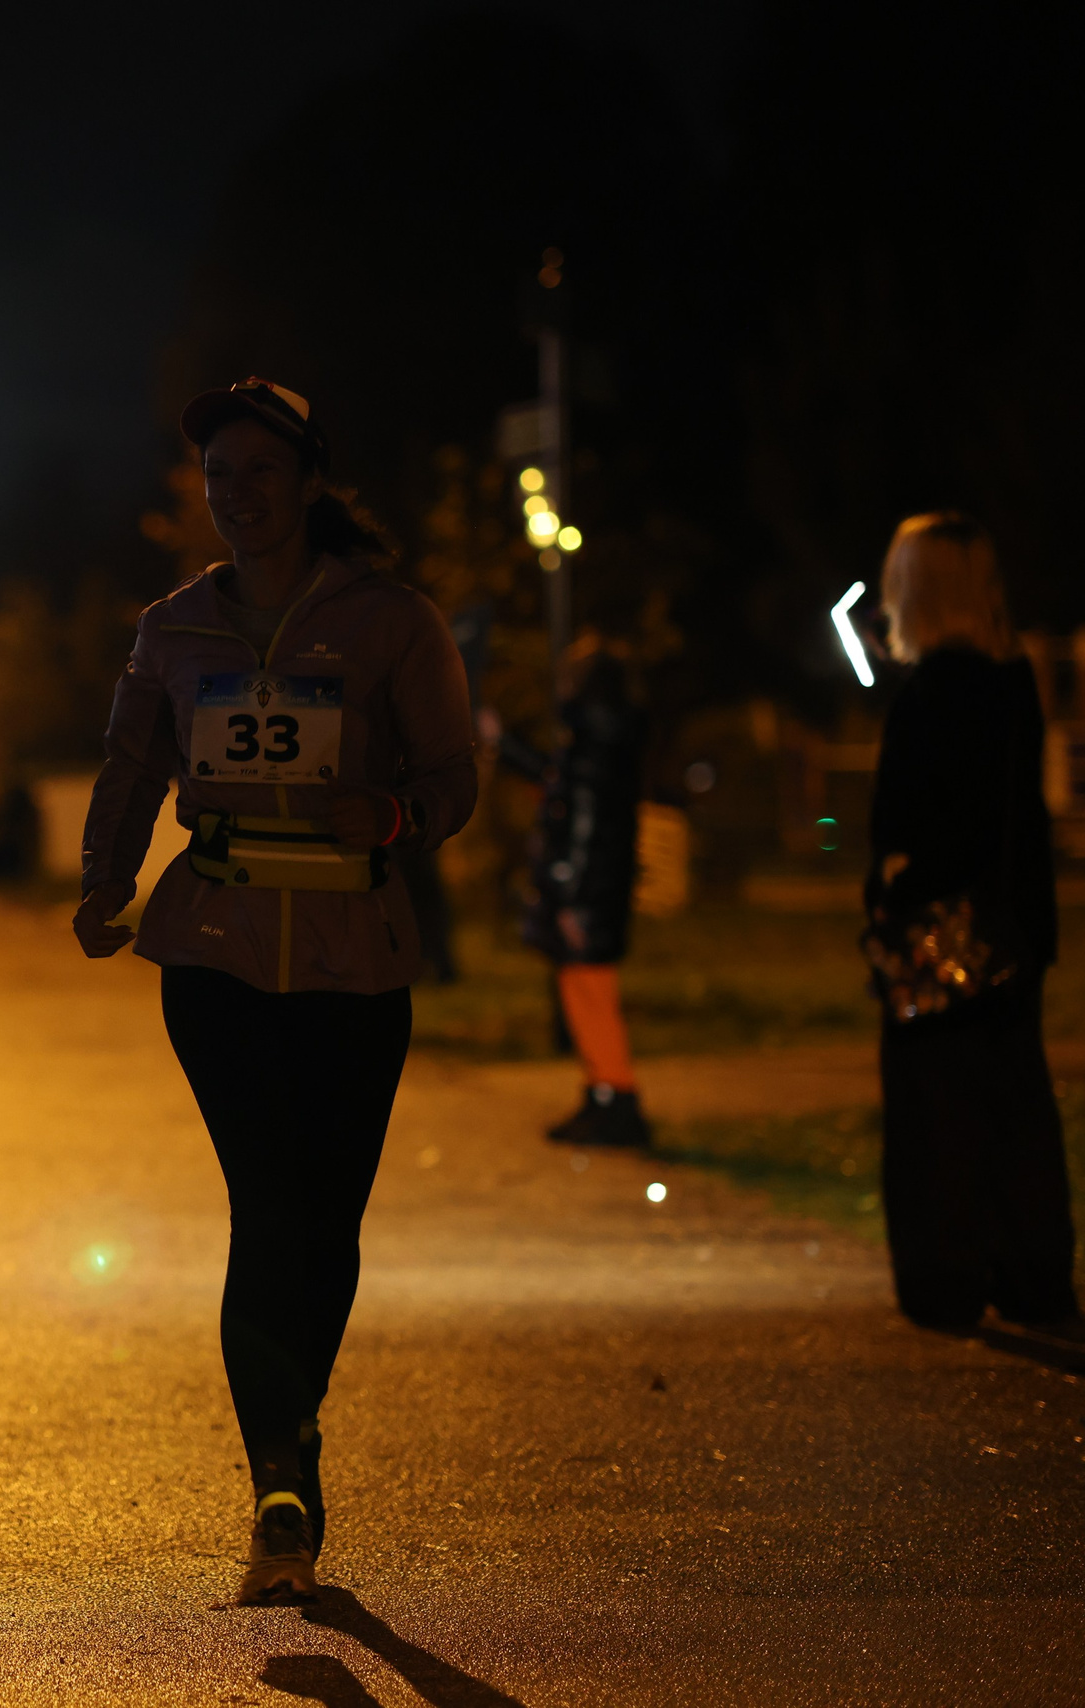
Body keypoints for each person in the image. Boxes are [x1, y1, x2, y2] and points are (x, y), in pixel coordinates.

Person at [74, 378, 475, 1605]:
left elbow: (453, 774)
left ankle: (292, 1426)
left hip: (356, 952)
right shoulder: (172, 627)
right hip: (216, 948)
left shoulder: (392, 621)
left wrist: (394, 814)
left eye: (259, 470)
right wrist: (102, 882)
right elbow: (129, 764)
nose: (236, 494)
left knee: (327, 1222)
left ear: (308, 481)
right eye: (217, 476)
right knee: (266, 1205)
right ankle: (279, 1485)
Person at [863, 513, 1070, 1331]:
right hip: (1017, 929)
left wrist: (896, 884)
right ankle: (1033, 1273)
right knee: (1016, 1102)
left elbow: (921, 825)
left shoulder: (928, 697)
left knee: (939, 1113)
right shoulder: (1012, 682)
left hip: (940, 938)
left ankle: (945, 1279)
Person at [486, 633, 650, 1147]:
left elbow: (583, 826)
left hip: (587, 898)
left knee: (591, 997)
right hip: (595, 895)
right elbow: (559, 785)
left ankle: (615, 1100)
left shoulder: (594, 746)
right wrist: (504, 744)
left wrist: (571, 898)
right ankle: (605, 1096)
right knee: (586, 996)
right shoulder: (603, 742)